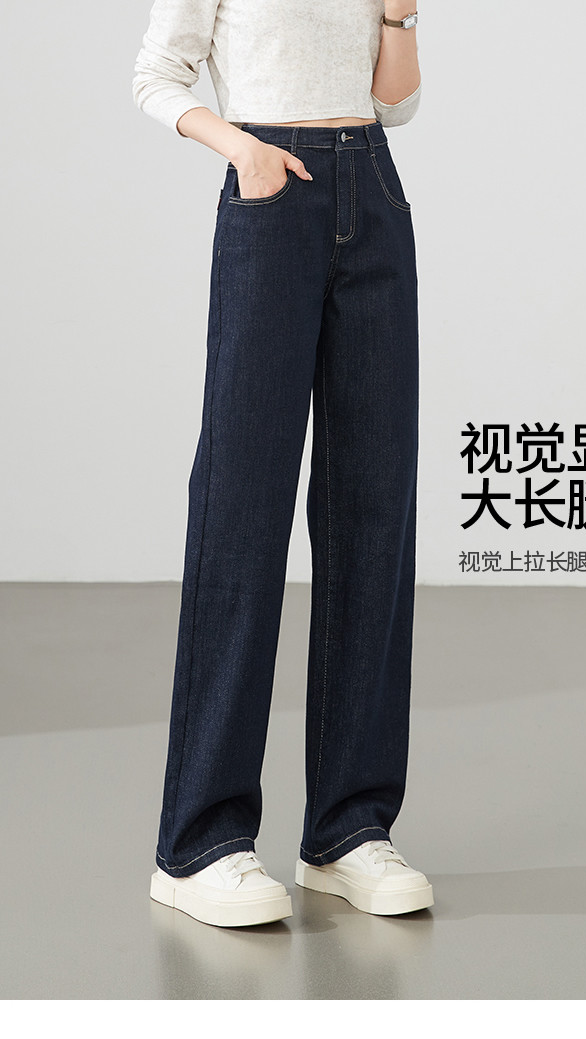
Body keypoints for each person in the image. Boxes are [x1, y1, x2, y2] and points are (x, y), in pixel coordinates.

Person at [132, 0, 434, 928]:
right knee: (242, 511)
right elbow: (156, 77)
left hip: (372, 192)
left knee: (373, 510)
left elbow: (395, 103)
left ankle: (348, 830)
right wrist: (244, 151)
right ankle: (200, 842)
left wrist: (399, 15)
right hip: (272, 195)